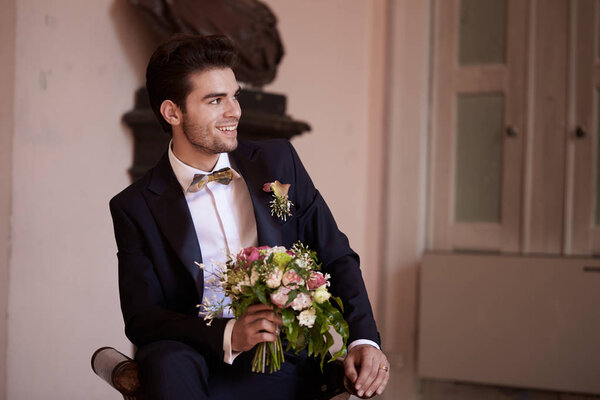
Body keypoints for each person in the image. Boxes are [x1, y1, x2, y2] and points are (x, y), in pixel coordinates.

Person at [110, 33, 389, 400]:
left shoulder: (278, 161)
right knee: (166, 360)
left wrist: (363, 338)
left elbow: (335, 254)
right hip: (194, 362)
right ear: (172, 112)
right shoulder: (135, 205)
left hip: (282, 356)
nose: (235, 111)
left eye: (234, 96)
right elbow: (143, 318)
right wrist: (228, 335)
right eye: (215, 100)